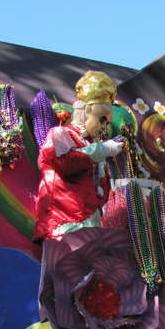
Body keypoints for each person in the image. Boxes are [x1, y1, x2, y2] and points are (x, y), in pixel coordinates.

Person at [33, 71, 124, 241]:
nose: (103, 126)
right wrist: (102, 150)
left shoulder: (91, 145)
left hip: (91, 228)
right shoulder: (60, 134)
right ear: (85, 111)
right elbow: (65, 162)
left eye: (106, 122)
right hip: (63, 226)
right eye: (102, 118)